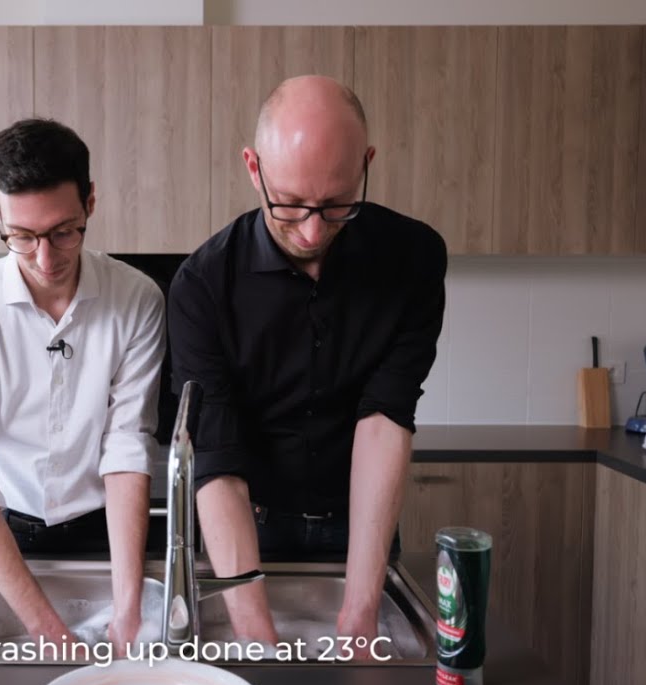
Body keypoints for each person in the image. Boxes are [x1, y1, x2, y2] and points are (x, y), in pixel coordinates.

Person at [167, 76, 447, 650]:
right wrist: (256, 634)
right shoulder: (202, 285)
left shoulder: (413, 260)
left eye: (338, 204)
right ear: (254, 168)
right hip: (249, 529)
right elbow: (217, 458)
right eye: (289, 204)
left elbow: (385, 417)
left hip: (360, 529)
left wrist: (361, 607)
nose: (314, 230)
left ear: (366, 163)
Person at [0, 118, 165, 651]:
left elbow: (127, 444)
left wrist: (128, 606)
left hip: (101, 534)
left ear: (90, 202)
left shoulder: (136, 300)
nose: (45, 258)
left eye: (64, 231)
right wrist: (46, 628)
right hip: (0, 534)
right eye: (21, 236)